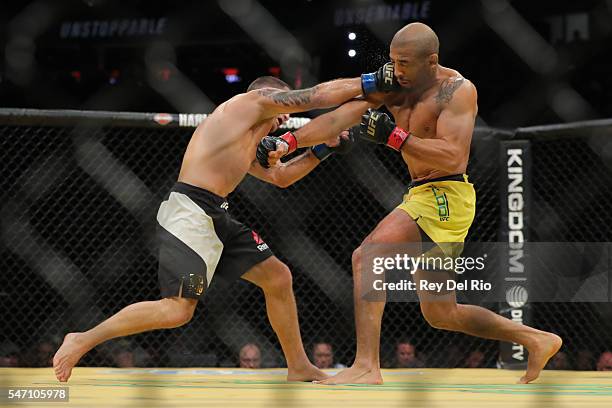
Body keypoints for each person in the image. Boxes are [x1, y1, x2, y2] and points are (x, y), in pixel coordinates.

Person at [260, 22, 562, 385]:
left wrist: (395, 137)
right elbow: (340, 117)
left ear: (431, 61)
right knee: (442, 313)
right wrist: (290, 142)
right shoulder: (394, 84)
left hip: (446, 194)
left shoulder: (456, 91)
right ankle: (537, 338)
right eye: (393, 61)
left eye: (404, 63)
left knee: (367, 256)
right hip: (423, 194)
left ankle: (367, 366)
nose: (396, 71)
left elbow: (452, 156)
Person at [53, 71, 380, 383]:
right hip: (190, 212)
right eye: (282, 112)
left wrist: (323, 149)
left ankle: (298, 366)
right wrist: (371, 82)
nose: (282, 122)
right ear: (271, 97)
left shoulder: (249, 138)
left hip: (216, 215)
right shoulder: (245, 105)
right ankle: (83, 339)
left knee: (278, 277)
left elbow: (281, 177)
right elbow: (315, 96)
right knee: (177, 310)